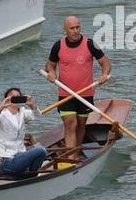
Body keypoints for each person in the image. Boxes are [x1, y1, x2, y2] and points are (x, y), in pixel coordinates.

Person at [46, 16, 112, 162]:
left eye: (77, 27)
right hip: (66, 94)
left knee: (81, 125)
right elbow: (50, 65)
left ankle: (76, 151)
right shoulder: (58, 46)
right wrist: (51, 73)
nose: (75, 31)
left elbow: (105, 62)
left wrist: (104, 74)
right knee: (71, 124)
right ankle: (71, 159)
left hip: (86, 94)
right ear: (65, 30)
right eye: (72, 28)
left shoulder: (90, 44)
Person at [0, 88, 48, 177]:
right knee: (41, 151)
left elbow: (38, 116)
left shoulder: (22, 112)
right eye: (13, 96)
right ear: (7, 98)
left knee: (39, 148)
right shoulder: (1, 114)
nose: (16, 98)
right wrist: (1, 106)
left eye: (18, 97)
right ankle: (30, 175)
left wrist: (31, 104)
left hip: (19, 155)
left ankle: (30, 174)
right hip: (6, 161)